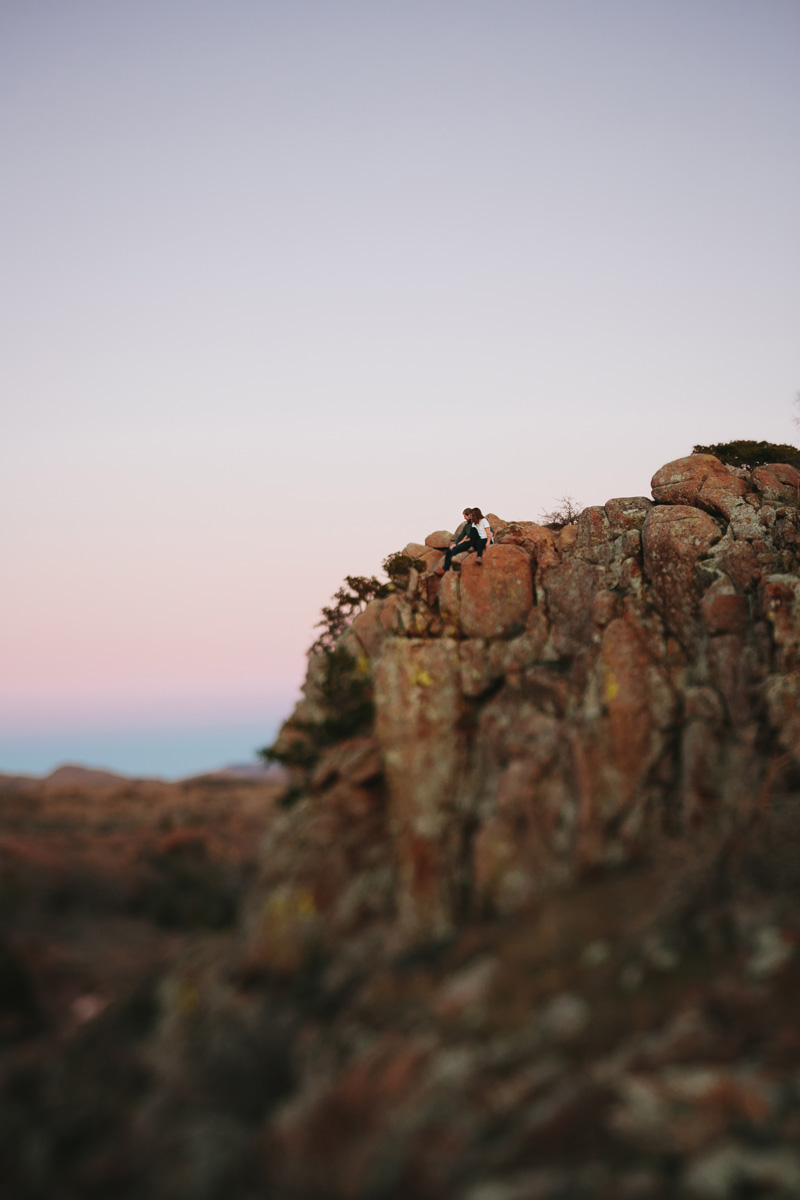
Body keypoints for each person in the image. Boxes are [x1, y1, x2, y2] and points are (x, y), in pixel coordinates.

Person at [436, 507, 493, 573]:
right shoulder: (467, 526)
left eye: (465, 516)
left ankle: (445, 568)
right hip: (469, 541)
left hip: (473, 541)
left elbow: (489, 531)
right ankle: (444, 569)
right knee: (449, 550)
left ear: (470, 515)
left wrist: (464, 541)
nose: (464, 517)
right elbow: (461, 535)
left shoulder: (478, 521)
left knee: (455, 549)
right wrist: (455, 543)